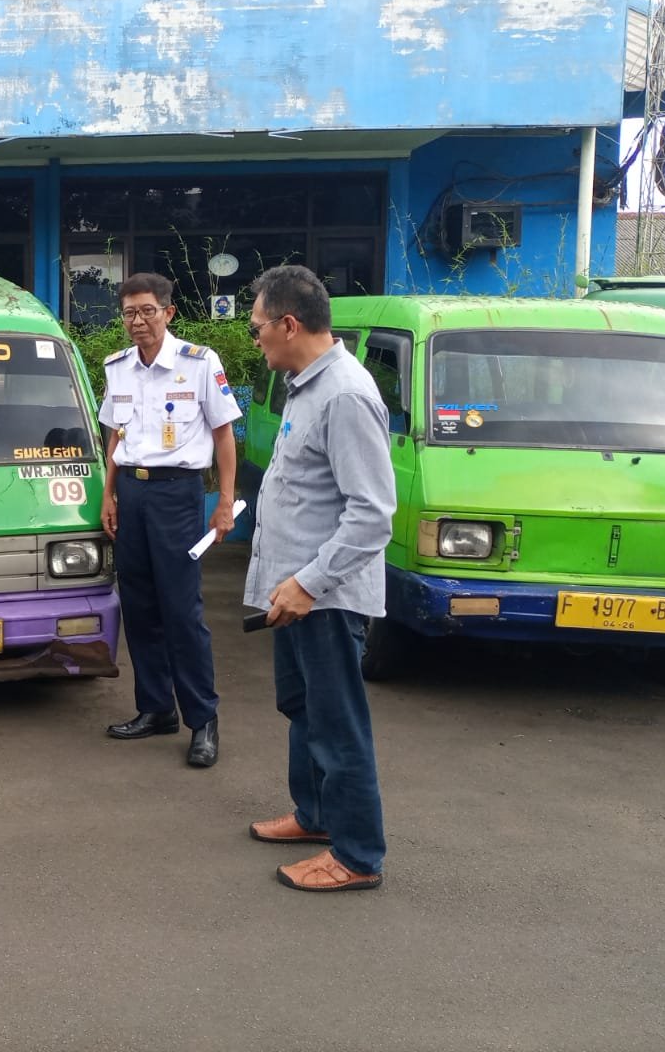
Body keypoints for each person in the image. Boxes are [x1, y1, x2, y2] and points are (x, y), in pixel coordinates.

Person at [243, 264, 396, 892]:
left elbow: (372, 513)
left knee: (338, 725)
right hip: (293, 595)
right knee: (304, 709)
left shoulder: (346, 395)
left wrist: (308, 583)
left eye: (257, 328)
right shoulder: (306, 386)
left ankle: (358, 855)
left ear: (289, 323)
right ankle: (315, 817)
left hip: (322, 600)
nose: (255, 340)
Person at [99, 272, 241, 768]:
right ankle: (155, 708)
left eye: (147, 311)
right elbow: (115, 437)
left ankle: (203, 720)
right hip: (131, 493)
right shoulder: (117, 367)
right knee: (138, 607)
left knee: (182, 611)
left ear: (168, 312)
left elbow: (223, 436)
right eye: (129, 313)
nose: (138, 322)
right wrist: (108, 495)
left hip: (177, 494)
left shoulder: (199, 364)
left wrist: (224, 501)